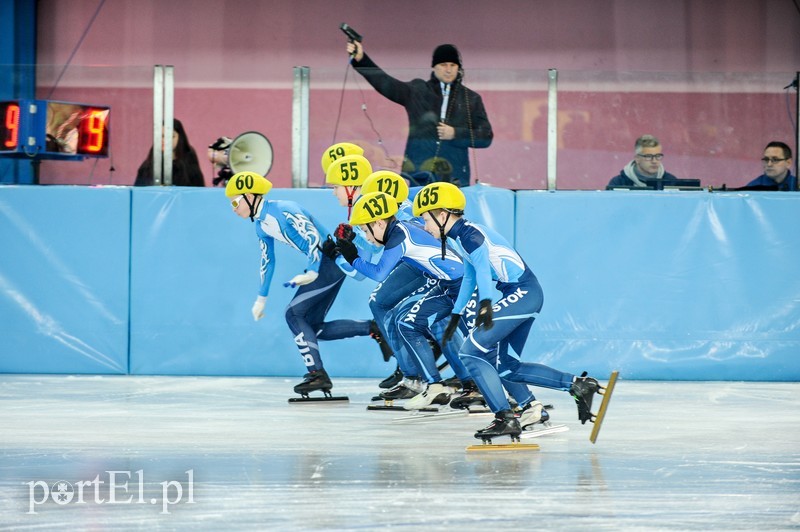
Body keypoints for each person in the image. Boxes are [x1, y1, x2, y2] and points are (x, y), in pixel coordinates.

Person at [413, 182, 601, 441]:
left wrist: (486, 304)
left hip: (522, 293)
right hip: (524, 294)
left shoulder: (469, 235)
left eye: (426, 219)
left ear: (442, 215)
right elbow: (469, 277)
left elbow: (481, 272)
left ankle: (504, 417)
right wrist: (456, 314)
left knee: (470, 351)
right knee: (507, 368)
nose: (426, 227)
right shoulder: (462, 235)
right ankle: (578, 385)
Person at [224, 171, 381, 397]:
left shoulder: (283, 209)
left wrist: (311, 270)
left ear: (250, 195)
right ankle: (373, 328)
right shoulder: (260, 225)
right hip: (323, 265)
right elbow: (268, 262)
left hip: (330, 261)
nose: (234, 208)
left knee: (293, 314)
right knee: (313, 327)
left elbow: (313, 239)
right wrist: (261, 298)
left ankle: (317, 374)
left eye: (235, 202)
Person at [333, 191, 470, 409]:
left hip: (459, 284)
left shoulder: (398, 237)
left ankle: (499, 392)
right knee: (406, 322)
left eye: (365, 229)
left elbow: (379, 273)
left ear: (378, 223)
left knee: (476, 339)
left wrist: (352, 257)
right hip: (449, 282)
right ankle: (435, 385)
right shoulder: (399, 228)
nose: (365, 236)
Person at [346, 40, 493, 187]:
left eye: (453, 65)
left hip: (455, 177)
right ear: (434, 67)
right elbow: (387, 84)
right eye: (443, 65)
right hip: (419, 175)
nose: (448, 70)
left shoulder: (471, 99)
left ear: (459, 68)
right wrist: (361, 59)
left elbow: (486, 136)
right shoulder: (418, 90)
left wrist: (455, 133)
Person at [135, 118, 205, 187]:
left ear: (180, 138)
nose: (164, 140)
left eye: (170, 136)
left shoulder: (189, 165)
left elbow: (197, 194)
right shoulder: (147, 166)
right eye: (161, 136)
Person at [607, 134, 678, 189]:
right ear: (637, 159)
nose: (654, 161)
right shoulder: (618, 183)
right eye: (648, 156)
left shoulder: (671, 182)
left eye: (658, 156)